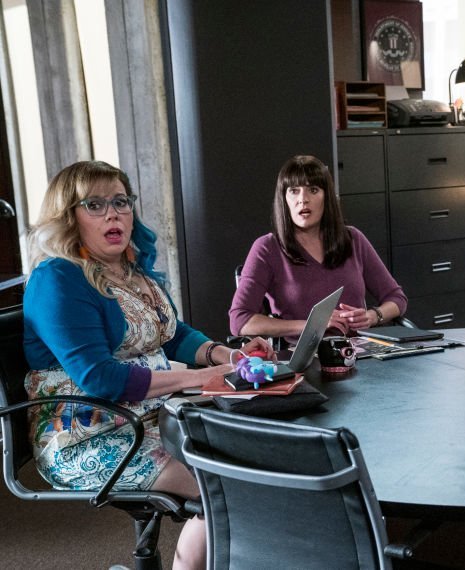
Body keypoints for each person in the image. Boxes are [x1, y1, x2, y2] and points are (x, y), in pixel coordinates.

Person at [22, 160, 275, 569]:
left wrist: (228, 355)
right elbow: (98, 378)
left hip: (154, 418)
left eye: (121, 201)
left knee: (255, 462)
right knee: (229, 490)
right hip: (87, 437)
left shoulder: (130, 270)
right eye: (95, 204)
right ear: (68, 217)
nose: (113, 213)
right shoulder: (59, 278)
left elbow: (172, 333)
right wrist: (201, 378)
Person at [229, 155, 408, 341]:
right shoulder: (266, 248)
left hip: (358, 351)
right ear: (284, 199)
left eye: (313, 190)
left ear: (327, 197)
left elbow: (396, 298)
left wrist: (372, 316)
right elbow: (240, 321)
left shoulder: (353, 238)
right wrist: (313, 324)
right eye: (294, 191)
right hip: (305, 358)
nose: (303, 200)